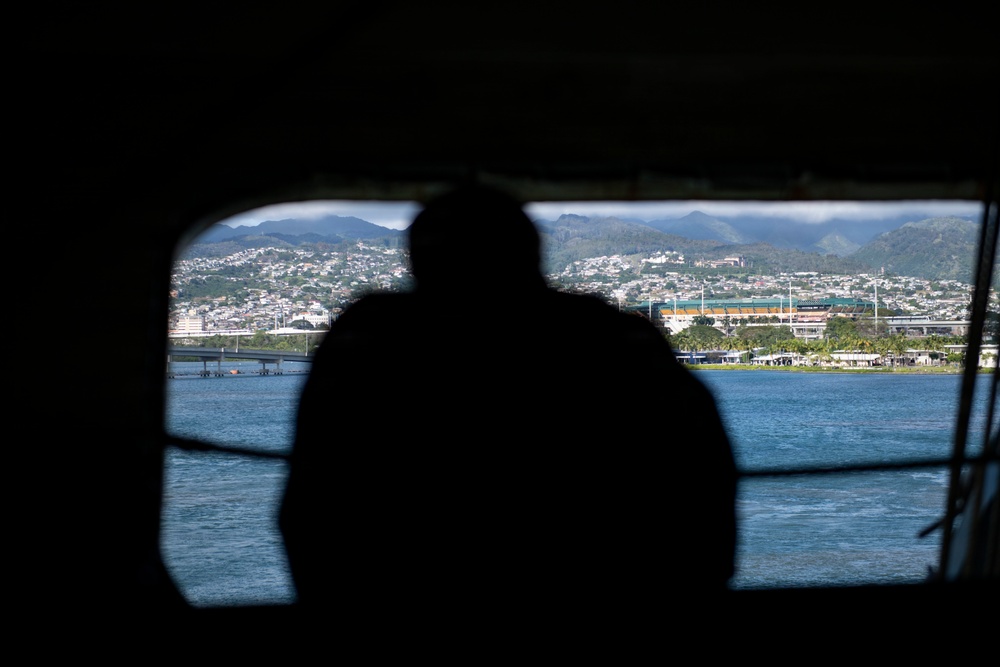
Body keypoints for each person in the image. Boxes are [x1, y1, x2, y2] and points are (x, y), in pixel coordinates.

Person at [279, 183, 737, 618]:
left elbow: (312, 508)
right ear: (531, 253)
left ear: (417, 260)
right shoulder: (610, 335)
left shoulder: (369, 338)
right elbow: (703, 482)